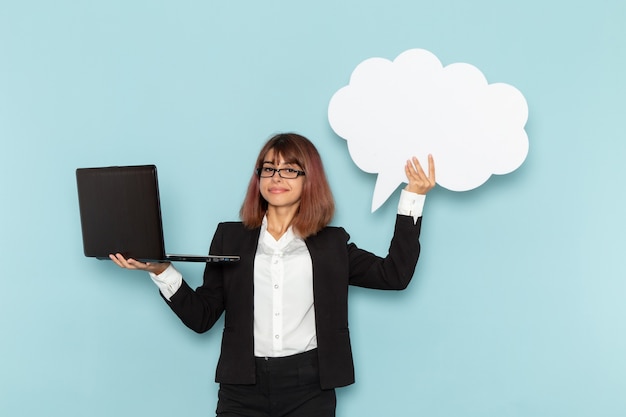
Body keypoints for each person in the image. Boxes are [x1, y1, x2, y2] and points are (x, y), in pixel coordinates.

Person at [110, 132, 436, 417]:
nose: (276, 177)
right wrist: (161, 270)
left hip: (309, 389)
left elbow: (395, 275)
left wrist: (413, 197)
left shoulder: (332, 244)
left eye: (289, 169)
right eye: (269, 168)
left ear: (310, 179)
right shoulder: (229, 237)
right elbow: (202, 317)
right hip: (242, 387)